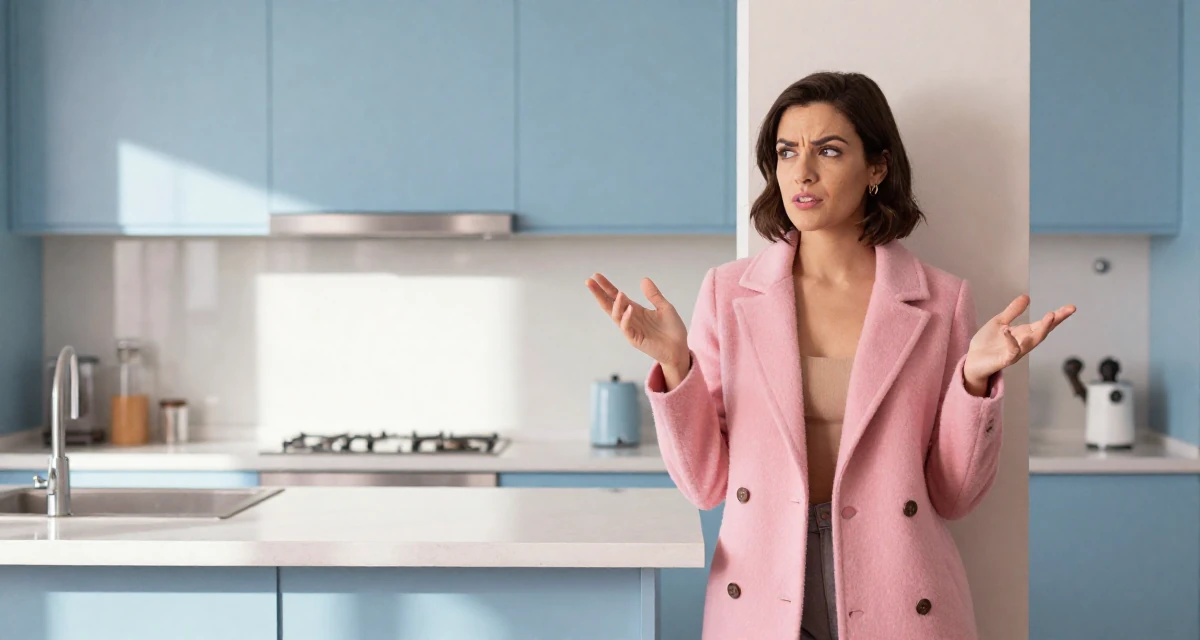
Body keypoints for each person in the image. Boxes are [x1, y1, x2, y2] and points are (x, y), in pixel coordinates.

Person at [586, 71, 1074, 640]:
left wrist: (973, 381)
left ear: (877, 167)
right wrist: (677, 366)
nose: (803, 171)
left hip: (897, 584)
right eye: (787, 151)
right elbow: (706, 486)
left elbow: (954, 495)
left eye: (830, 150)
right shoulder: (728, 292)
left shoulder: (942, 300)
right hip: (764, 580)